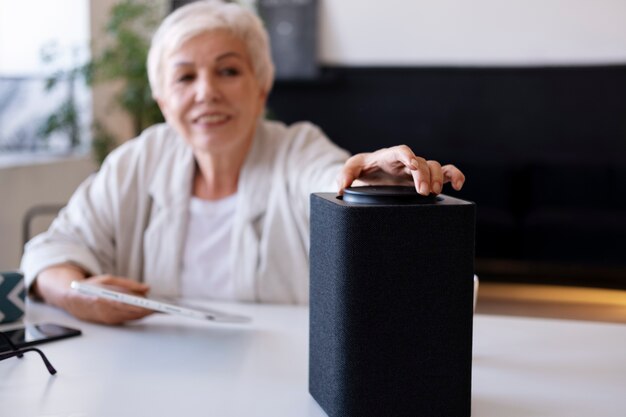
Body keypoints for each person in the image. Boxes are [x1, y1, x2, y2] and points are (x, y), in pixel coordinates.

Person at [20, 0, 465, 325]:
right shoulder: (137, 161)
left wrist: (377, 180)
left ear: (261, 88)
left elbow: (334, 180)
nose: (206, 92)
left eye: (228, 71)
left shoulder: (296, 147)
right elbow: (49, 252)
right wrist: (77, 294)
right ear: (162, 100)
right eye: (185, 77)